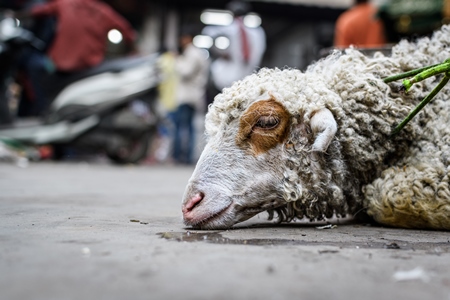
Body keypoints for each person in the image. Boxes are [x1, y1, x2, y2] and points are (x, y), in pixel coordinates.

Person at [14, 0, 137, 116]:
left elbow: (38, 11)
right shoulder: (101, 11)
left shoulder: (66, 4)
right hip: (86, 67)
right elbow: (128, 32)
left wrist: (16, 15)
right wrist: (133, 50)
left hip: (62, 66)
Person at [202, 0, 266, 102]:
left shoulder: (255, 33)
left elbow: (207, 31)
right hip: (229, 78)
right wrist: (220, 52)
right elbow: (209, 34)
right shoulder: (225, 30)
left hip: (245, 76)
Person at [172, 27, 209, 165]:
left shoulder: (192, 53)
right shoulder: (195, 53)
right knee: (188, 127)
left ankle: (181, 157)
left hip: (188, 96)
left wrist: (177, 60)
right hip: (192, 95)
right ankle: (185, 156)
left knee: (182, 127)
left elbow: (185, 72)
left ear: (188, 38)